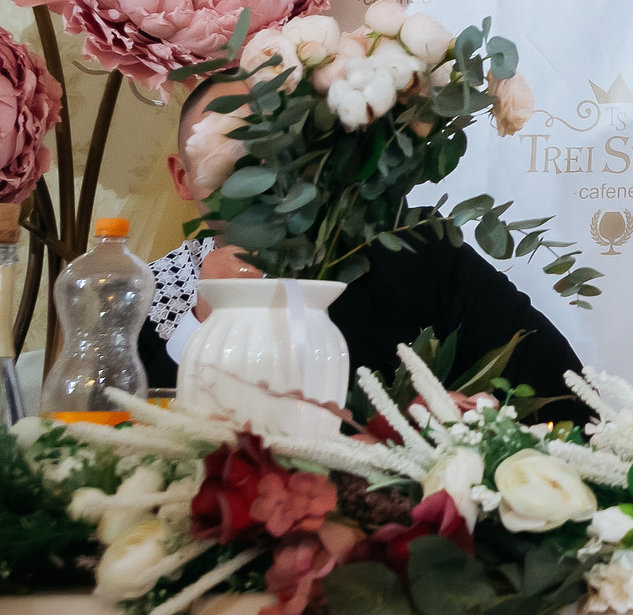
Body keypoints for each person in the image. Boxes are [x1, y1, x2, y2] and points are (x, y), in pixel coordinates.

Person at [146, 77, 591, 419]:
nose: (257, 167)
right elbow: (122, 434)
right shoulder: (151, 293)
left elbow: (565, 395)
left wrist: (468, 426)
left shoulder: (420, 255)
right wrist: (200, 324)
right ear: (182, 177)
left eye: (277, 146)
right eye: (229, 149)